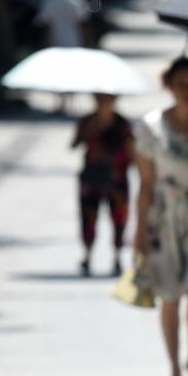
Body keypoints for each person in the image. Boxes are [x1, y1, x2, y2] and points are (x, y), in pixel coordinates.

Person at [133, 57, 188, 376]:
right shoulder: (151, 127)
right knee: (169, 296)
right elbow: (146, 183)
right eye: (181, 83)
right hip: (161, 218)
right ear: (170, 85)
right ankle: (174, 372)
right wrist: (138, 230)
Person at [71, 93, 133, 277]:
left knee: (119, 219)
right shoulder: (87, 121)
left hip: (116, 179)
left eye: (107, 99)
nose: (104, 103)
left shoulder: (123, 124)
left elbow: (132, 152)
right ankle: (88, 256)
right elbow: (74, 144)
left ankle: (117, 257)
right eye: (100, 99)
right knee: (88, 218)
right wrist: (87, 131)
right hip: (92, 178)